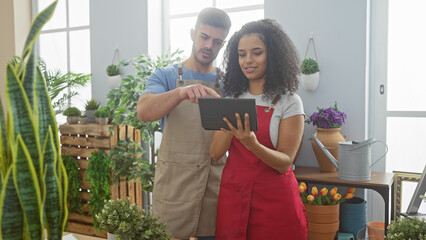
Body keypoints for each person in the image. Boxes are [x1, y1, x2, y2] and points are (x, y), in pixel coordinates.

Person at [136, 7, 231, 240]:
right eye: (204, 37)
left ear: (223, 44)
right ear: (192, 33)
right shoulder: (166, 75)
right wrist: (180, 93)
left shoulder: (227, 82)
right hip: (174, 187)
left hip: (214, 184)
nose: (209, 46)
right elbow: (144, 111)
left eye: (217, 42)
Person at [210, 19, 308, 239]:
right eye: (242, 54)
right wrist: (228, 127)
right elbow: (215, 154)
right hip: (234, 198)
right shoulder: (231, 99)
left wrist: (251, 144)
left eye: (256, 53)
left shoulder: (289, 102)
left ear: (272, 56)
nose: (248, 60)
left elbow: (285, 162)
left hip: (275, 203)